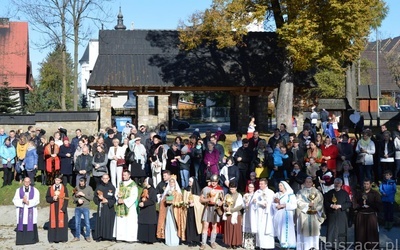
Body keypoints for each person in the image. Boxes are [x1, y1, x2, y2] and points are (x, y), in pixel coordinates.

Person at [296, 177, 325, 250]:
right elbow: (298, 202)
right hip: (304, 215)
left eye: (310, 182)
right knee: (305, 233)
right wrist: (307, 205)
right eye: (307, 182)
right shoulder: (300, 192)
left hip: (314, 216)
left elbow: (320, 203)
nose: (308, 183)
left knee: (314, 234)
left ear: (312, 183)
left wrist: (315, 209)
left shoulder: (317, 192)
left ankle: (315, 247)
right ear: (304, 183)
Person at [323, 178, 352, 249]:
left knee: (341, 231)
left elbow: (349, 203)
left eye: (338, 183)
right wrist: (331, 205)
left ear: (341, 184)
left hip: (341, 214)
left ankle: (341, 245)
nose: (337, 184)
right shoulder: (329, 193)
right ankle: (331, 245)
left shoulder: (345, 193)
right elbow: (325, 202)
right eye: (336, 183)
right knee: (331, 231)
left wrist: (340, 206)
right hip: (332, 214)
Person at [354, 179, 382, 250]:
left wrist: (370, 205)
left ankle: (372, 247)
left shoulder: (375, 193)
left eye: (367, 184)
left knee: (372, 234)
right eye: (364, 184)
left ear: (370, 184)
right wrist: (360, 206)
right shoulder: (359, 193)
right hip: (361, 215)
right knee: (360, 234)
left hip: (371, 215)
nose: (366, 185)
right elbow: (354, 204)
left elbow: (379, 205)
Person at [156, 175, 184, 246]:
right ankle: (168, 240)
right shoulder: (167, 191)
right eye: (170, 182)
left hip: (175, 211)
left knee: (174, 225)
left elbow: (180, 201)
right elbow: (162, 201)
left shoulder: (178, 192)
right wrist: (166, 199)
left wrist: (174, 202)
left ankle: (175, 240)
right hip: (168, 210)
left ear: (175, 183)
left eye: (173, 182)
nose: (171, 183)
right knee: (168, 224)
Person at [199, 174, 224, 250]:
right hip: (207, 208)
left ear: (217, 182)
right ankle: (203, 243)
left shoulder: (220, 190)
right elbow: (201, 199)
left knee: (214, 226)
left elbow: (223, 200)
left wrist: (221, 203)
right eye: (212, 181)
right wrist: (208, 200)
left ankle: (212, 242)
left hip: (215, 209)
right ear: (210, 181)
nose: (213, 183)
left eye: (215, 181)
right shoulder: (206, 189)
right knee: (205, 226)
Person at [12, 177, 40, 245]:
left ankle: (31, 240)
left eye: (28, 181)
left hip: (31, 210)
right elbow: (14, 200)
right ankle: (21, 240)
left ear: (30, 182)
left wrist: (28, 202)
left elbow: (37, 200)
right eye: (25, 181)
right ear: (23, 182)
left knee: (31, 223)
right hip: (22, 210)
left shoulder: (35, 190)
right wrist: (22, 201)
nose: (27, 183)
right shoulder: (18, 190)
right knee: (22, 223)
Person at [113, 169, 138, 243]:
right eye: (123, 175)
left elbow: (134, 196)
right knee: (120, 221)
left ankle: (130, 238)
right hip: (120, 205)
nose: (123, 177)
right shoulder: (120, 183)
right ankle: (120, 236)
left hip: (129, 206)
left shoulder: (133, 184)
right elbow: (116, 192)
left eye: (125, 175)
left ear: (129, 175)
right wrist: (118, 199)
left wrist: (124, 201)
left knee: (129, 222)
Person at [272, 181, 297, 249]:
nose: (279, 187)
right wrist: (276, 205)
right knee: (279, 229)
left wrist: (284, 205)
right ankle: (281, 242)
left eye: (281, 186)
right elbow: (273, 204)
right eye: (279, 186)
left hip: (286, 215)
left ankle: (287, 244)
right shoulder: (276, 195)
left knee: (286, 230)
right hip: (278, 215)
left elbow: (294, 205)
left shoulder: (290, 195)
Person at [93, 174, 116, 242]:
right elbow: (95, 197)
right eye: (104, 178)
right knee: (101, 221)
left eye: (106, 178)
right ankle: (100, 236)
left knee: (109, 221)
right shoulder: (99, 187)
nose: (105, 179)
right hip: (101, 207)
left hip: (109, 207)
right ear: (102, 179)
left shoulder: (112, 187)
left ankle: (110, 236)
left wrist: (108, 201)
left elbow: (114, 198)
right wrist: (99, 199)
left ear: (109, 179)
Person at [252, 178, 275, 250]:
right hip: (259, 213)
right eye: (259, 184)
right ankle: (260, 245)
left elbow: (272, 203)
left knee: (266, 229)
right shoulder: (257, 192)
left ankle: (268, 246)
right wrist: (255, 202)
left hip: (267, 214)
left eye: (261, 184)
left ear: (266, 184)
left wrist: (266, 204)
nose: (260, 185)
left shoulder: (270, 192)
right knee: (259, 229)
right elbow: (253, 202)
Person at [46, 175, 69, 243]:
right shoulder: (50, 188)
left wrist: (63, 208)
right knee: (53, 223)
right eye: (56, 180)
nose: (57, 181)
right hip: (53, 208)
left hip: (61, 208)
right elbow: (47, 198)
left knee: (62, 223)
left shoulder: (64, 188)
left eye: (58, 180)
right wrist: (52, 198)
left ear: (61, 181)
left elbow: (66, 199)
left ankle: (62, 238)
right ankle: (52, 238)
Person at [71, 177, 94, 242]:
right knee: (77, 223)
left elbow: (91, 198)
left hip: (85, 207)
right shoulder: (76, 187)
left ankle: (87, 236)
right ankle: (77, 236)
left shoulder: (89, 188)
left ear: (85, 182)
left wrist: (83, 195)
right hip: (78, 207)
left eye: (82, 182)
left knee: (87, 223)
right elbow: (73, 196)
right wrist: (77, 199)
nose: (81, 183)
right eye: (80, 182)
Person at [183, 177, 203, 247]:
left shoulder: (197, 191)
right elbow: (184, 200)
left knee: (195, 225)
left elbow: (200, 202)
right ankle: (190, 240)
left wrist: (195, 203)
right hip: (189, 210)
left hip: (196, 211)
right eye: (189, 181)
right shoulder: (186, 190)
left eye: (190, 182)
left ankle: (196, 240)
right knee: (189, 225)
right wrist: (187, 202)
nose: (189, 183)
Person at [222, 182, 243, 249]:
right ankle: (229, 243)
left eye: (233, 189)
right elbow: (224, 204)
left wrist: (231, 210)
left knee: (235, 229)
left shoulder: (239, 195)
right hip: (228, 214)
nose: (231, 190)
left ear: (236, 188)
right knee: (229, 229)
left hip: (236, 214)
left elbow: (240, 206)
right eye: (230, 189)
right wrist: (225, 208)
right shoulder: (227, 195)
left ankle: (235, 243)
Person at [138, 177, 158, 244]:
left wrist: (144, 203)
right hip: (144, 210)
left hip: (150, 210)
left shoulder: (153, 190)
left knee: (149, 224)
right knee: (143, 223)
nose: (144, 182)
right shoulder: (144, 189)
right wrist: (140, 202)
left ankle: (150, 240)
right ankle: (143, 239)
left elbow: (152, 201)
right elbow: (141, 197)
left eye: (145, 181)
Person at [242, 183, 257, 250]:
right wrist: (245, 205)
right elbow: (242, 205)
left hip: (253, 213)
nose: (250, 188)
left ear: (254, 188)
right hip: (246, 213)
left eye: (252, 187)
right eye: (249, 187)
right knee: (246, 227)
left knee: (252, 226)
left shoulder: (255, 195)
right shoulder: (245, 195)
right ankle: (246, 244)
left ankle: (253, 244)